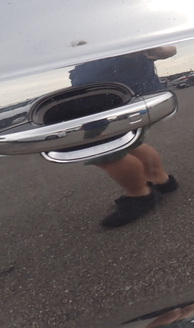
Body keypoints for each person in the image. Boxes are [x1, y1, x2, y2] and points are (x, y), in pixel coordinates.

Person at [69, 47, 179, 228]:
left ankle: (140, 194)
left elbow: (168, 49)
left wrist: (151, 49)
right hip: (122, 101)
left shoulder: (116, 35)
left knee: (102, 151)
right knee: (131, 145)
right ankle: (161, 180)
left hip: (117, 104)